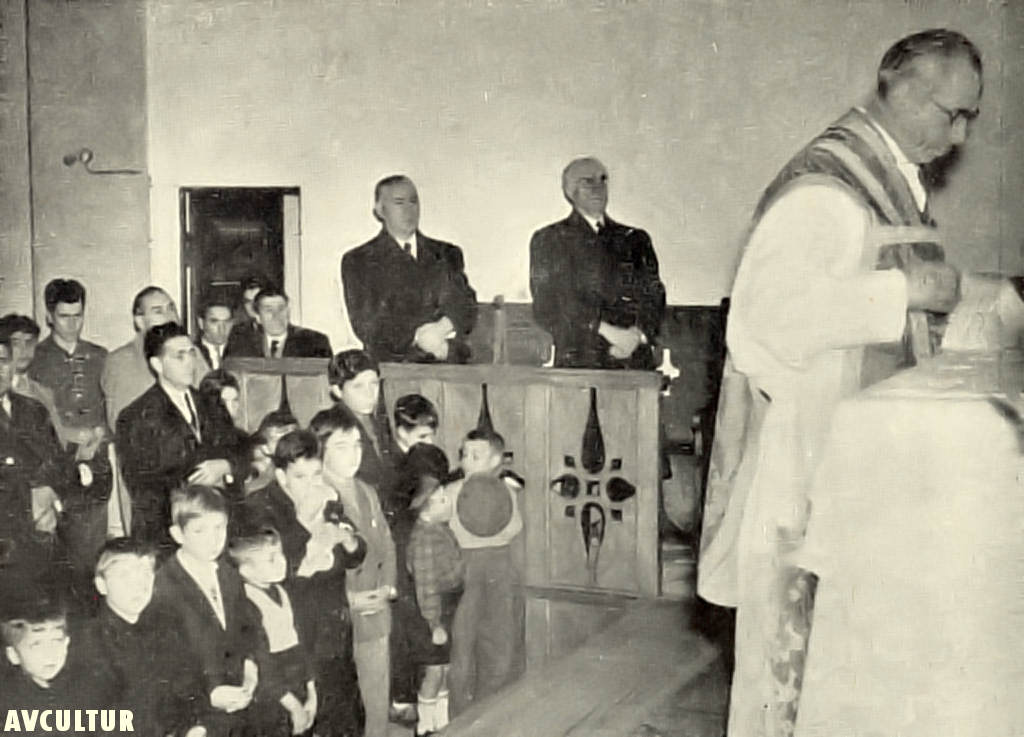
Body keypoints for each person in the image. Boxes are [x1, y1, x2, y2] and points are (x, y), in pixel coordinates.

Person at [696, 29, 975, 737]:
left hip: (858, 467)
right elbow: (762, 323)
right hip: (808, 470)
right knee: (796, 680)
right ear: (904, 91)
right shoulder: (826, 190)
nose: (961, 136)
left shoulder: (889, 181)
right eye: (954, 114)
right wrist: (902, 291)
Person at [248, 429, 367, 737]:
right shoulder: (260, 507)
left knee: (348, 719)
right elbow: (277, 569)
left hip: (334, 630)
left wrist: (348, 540)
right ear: (281, 476)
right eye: (300, 477)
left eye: (316, 474)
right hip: (295, 638)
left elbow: (356, 554)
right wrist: (304, 521)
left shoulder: (326, 495)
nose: (312, 484)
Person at [529, 157, 666, 369]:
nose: (598, 188)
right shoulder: (550, 239)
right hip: (581, 361)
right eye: (588, 181)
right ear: (570, 192)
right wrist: (608, 332)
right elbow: (548, 304)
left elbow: (654, 296)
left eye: (603, 180)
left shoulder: (635, 239)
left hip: (634, 362)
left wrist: (638, 336)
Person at [115, 323, 245, 546]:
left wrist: (226, 466)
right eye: (179, 356)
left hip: (216, 524)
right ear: (157, 364)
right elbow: (143, 489)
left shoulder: (211, 403)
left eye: (192, 353)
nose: (190, 363)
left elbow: (239, 450)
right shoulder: (135, 417)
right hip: (167, 533)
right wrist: (195, 490)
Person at [311, 405, 396, 737]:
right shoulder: (315, 496)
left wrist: (388, 587)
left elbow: (387, 544)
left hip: (376, 608)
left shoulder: (366, 491)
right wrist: (349, 600)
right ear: (321, 450)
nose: (354, 454)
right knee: (344, 707)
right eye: (342, 446)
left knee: (377, 700)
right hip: (341, 615)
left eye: (358, 445)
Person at [149, 484, 258, 736]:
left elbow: (249, 628)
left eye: (219, 527)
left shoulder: (229, 574)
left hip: (239, 705)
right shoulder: (163, 586)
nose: (213, 539)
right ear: (178, 534)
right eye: (200, 530)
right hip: (196, 716)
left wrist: (251, 667)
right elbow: (166, 663)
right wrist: (208, 694)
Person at [342, 175, 478, 364]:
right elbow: (368, 326)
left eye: (414, 202)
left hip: (448, 361)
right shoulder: (359, 260)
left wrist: (441, 329)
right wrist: (419, 338)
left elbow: (466, 304)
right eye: (399, 203)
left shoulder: (446, 253)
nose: (409, 210)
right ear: (380, 210)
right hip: (395, 367)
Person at [81, 537, 194, 736]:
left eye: (145, 574)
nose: (138, 586)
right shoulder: (89, 641)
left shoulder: (167, 627)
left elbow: (188, 691)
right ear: (101, 585)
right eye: (125, 576)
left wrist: (195, 728)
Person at [446, 428, 524, 716]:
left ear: (496, 460)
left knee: (501, 643)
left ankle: (495, 717)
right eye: (464, 454)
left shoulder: (505, 492)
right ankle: (462, 720)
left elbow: (515, 528)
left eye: (476, 455)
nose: (467, 461)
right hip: (463, 568)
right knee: (462, 646)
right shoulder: (452, 492)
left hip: (498, 569)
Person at [229, 522, 318, 737]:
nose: (281, 562)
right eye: (271, 559)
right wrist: (293, 706)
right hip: (273, 695)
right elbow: (262, 663)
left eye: (281, 554)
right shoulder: (246, 604)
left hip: (296, 680)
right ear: (246, 570)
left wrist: (311, 691)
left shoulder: (282, 592)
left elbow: (301, 643)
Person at [404, 445, 464, 736]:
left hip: (446, 605)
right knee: (434, 670)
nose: (448, 503)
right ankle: (426, 725)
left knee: (445, 668)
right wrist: (434, 624)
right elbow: (426, 586)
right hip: (433, 611)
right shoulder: (425, 538)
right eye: (441, 500)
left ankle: (442, 721)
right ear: (427, 508)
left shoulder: (439, 528)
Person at [0, 589, 114, 732]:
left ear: (66, 644)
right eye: (36, 645)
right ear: (13, 655)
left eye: (56, 641)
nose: (49, 654)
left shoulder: (90, 692)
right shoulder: (6, 703)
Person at [101, 286, 209, 430]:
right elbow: (124, 424)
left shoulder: (193, 352)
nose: (169, 316)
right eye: (158, 311)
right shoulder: (120, 362)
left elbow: (210, 403)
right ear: (139, 321)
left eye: (171, 308)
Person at [29, 279, 108, 439]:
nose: (72, 324)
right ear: (49, 317)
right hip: (53, 447)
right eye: (64, 316)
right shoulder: (34, 359)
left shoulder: (100, 356)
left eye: (77, 316)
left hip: (97, 446)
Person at [327, 349, 396, 491]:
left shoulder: (378, 421)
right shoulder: (331, 425)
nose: (369, 394)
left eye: (374, 384)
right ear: (338, 391)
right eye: (358, 386)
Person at [224, 286, 332, 359]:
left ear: (288, 311)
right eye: (269, 310)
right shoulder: (240, 344)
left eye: (281, 309)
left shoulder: (315, 342)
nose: (276, 316)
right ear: (258, 317)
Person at [244, 409, 299, 496]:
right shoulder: (259, 490)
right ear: (265, 448)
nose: (291, 445)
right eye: (282, 441)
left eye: (296, 438)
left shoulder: (318, 479)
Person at [196, 296, 235, 371]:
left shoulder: (242, 352)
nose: (222, 328)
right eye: (214, 322)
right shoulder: (192, 352)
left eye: (227, 322)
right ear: (201, 323)